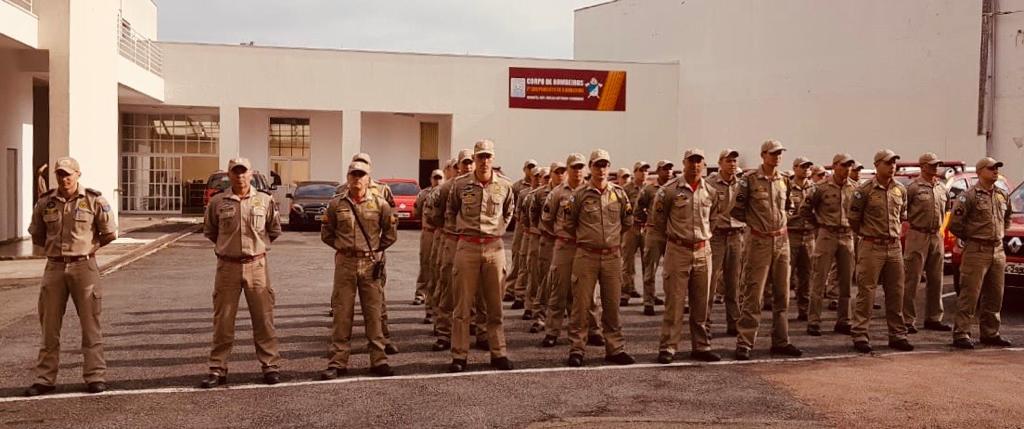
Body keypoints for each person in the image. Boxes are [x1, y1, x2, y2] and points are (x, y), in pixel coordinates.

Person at [25, 157, 117, 397]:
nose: (64, 178)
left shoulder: (94, 200)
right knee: (49, 326)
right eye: (60, 174)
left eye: (68, 174)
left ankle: (95, 376)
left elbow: (109, 233)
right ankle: (45, 379)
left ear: (78, 174)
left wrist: (89, 248)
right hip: (54, 268)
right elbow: (37, 234)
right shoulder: (45, 202)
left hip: (84, 267)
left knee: (90, 325)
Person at [200, 157, 283, 388]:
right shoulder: (218, 202)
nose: (239, 176)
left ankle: (270, 366)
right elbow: (211, 231)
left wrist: (256, 248)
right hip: (227, 267)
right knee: (223, 321)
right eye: (235, 172)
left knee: (264, 319)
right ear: (229, 175)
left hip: (257, 266)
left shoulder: (265, 200)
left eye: (243, 171)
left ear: (251, 173)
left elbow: (273, 230)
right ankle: (217, 368)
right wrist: (229, 248)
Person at [319, 160, 398, 379]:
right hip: (345, 264)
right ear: (347, 177)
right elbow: (326, 233)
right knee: (342, 313)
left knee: (373, 313)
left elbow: (390, 233)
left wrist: (375, 250)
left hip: (370, 264)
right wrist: (343, 248)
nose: (357, 178)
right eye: (353, 174)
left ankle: (379, 360)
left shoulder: (380, 204)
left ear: (368, 178)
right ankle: (338, 362)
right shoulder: (336, 204)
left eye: (361, 175)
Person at [445, 139, 516, 373]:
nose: (484, 161)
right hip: (467, 247)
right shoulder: (460, 184)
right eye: (480, 157)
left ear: (493, 159)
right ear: (474, 159)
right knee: (462, 306)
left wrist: (497, 231)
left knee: (495, 306)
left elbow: (509, 212)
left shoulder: (504, 185)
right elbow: (450, 211)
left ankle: (498, 353)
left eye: (488, 156)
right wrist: (462, 232)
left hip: (494, 248)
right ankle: (459, 355)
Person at [731, 140, 803, 360]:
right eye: (773, 153)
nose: (777, 157)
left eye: (779, 153)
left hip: (781, 241)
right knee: (754, 293)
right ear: (763, 155)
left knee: (782, 294)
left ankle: (781, 341)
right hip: (759, 241)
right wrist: (757, 224)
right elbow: (737, 210)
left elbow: (789, 207)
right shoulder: (749, 180)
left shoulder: (785, 180)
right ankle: (745, 342)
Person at [564, 149, 636, 367]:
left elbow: (627, 222)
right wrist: (589, 239)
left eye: (605, 165)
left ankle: (615, 348)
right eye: (597, 165)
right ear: (590, 167)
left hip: (612, 257)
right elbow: (569, 224)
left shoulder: (619, 194)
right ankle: (577, 349)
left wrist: (610, 241)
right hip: (586, 255)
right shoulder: (579, 195)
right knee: (581, 305)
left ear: (609, 167)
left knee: (612, 305)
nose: (601, 169)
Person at [651, 149, 721, 363]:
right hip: (678, 250)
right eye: (691, 161)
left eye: (699, 161)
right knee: (675, 302)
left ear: (704, 164)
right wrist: (673, 243)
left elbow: (714, 219)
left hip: (702, 250)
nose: (695, 165)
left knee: (702, 303)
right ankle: (668, 347)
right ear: (684, 163)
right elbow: (658, 222)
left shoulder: (710, 191)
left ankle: (701, 346)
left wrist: (702, 239)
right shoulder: (669, 190)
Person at [848, 149, 913, 353]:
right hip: (871, 245)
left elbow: (902, 216)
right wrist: (868, 235)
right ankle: (860, 334)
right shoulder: (864, 190)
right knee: (867, 292)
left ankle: (897, 334)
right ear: (877, 165)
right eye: (887, 163)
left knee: (896, 292)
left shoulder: (900, 189)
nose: (892, 166)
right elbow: (854, 219)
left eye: (894, 163)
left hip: (893, 246)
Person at [949, 157, 1014, 349]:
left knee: (995, 294)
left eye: (997, 168)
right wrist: (973, 237)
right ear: (980, 172)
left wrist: (999, 234)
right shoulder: (968, 196)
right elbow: (955, 224)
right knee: (970, 294)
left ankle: (990, 332)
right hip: (976, 250)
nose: (995, 171)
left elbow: (1007, 218)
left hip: (997, 250)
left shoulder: (1002, 195)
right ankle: (961, 333)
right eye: (991, 168)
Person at [802, 154, 857, 336]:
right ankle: (814, 321)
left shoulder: (855, 188)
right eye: (844, 165)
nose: (847, 169)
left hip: (847, 235)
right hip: (827, 234)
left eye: (849, 166)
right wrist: (819, 225)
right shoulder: (821, 187)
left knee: (846, 281)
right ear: (834, 166)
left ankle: (844, 320)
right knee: (819, 279)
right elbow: (805, 209)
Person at [902, 153, 951, 333]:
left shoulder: (941, 188)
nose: (935, 167)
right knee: (912, 279)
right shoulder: (913, 188)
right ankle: (907, 320)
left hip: (936, 235)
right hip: (917, 234)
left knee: (936, 279)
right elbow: (902, 210)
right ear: (922, 166)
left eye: (937, 164)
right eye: (931, 165)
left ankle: (934, 318)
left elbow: (947, 210)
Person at [706, 150, 744, 336]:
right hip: (717, 236)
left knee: (733, 282)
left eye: (734, 161)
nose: (732, 164)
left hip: (736, 235)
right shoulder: (710, 183)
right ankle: (705, 323)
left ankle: (734, 322)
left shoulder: (742, 183)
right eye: (728, 161)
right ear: (720, 163)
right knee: (710, 281)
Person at [637, 160, 673, 315]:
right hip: (654, 233)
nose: (668, 172)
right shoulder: (649, 189)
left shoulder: (675, 188)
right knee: (650, 269)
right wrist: (647, 221)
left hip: (671, 233)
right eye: (665, 169)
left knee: (672, 271)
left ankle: (673, 302)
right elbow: (639, 207)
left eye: (670, 169)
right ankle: (648, 302)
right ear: (658, 171)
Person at [504, 159, 538, 302]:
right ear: (524, 169)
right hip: (520, 225)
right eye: (529, 167)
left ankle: (526, 291)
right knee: (517, 255)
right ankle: (511, 289)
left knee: (531, 261)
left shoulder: (542, 185)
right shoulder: (517, 187)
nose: (531, 170)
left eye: (533, 167)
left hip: (534, 228)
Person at [787, 157, 816, 322]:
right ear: (795, 168)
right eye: (802, 167)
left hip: (809, 235)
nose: (806, 170)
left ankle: (804, 309)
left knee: (807, 275)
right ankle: (781, 310)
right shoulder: (787, 187)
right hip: (791, 234)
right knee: (786, 275)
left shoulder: (814, 188)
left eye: (808, 167)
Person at [414, 169, 444, 323]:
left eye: (440, 178)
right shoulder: (424, 194)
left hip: (441, 234)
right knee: (425, 263)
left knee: (439, 267)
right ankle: (421, 293)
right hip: (428, 233)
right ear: (431, 179)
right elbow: (416, 211)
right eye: (435, 177)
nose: (437, 180)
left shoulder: (446, 192)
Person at [620, 161, 650, 305]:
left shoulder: (651, 189)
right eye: (640, 170)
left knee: (648, 263)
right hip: (631, 228)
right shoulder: (626, 189)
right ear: (635, 172)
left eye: (645, 170)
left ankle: (649, 295)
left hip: (647, 228)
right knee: (628, 262)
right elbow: (621, 209)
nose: (643, 173)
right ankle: (625, 292)